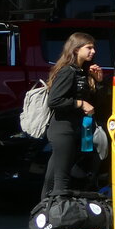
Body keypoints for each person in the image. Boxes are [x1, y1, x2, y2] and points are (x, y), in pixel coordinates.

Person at [41, 32, 107, 198]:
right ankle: (56, 214)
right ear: (76, 49)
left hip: (75, 128)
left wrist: (97, 82)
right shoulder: (67, 72)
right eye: (89, 48)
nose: (93, 52)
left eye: (94, 48)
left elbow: (96, 104)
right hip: (63, 130)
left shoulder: (81, 72)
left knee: (53, 176)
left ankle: (45, 212)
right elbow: (54, 101)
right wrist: (80, 103)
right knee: (61, 180)